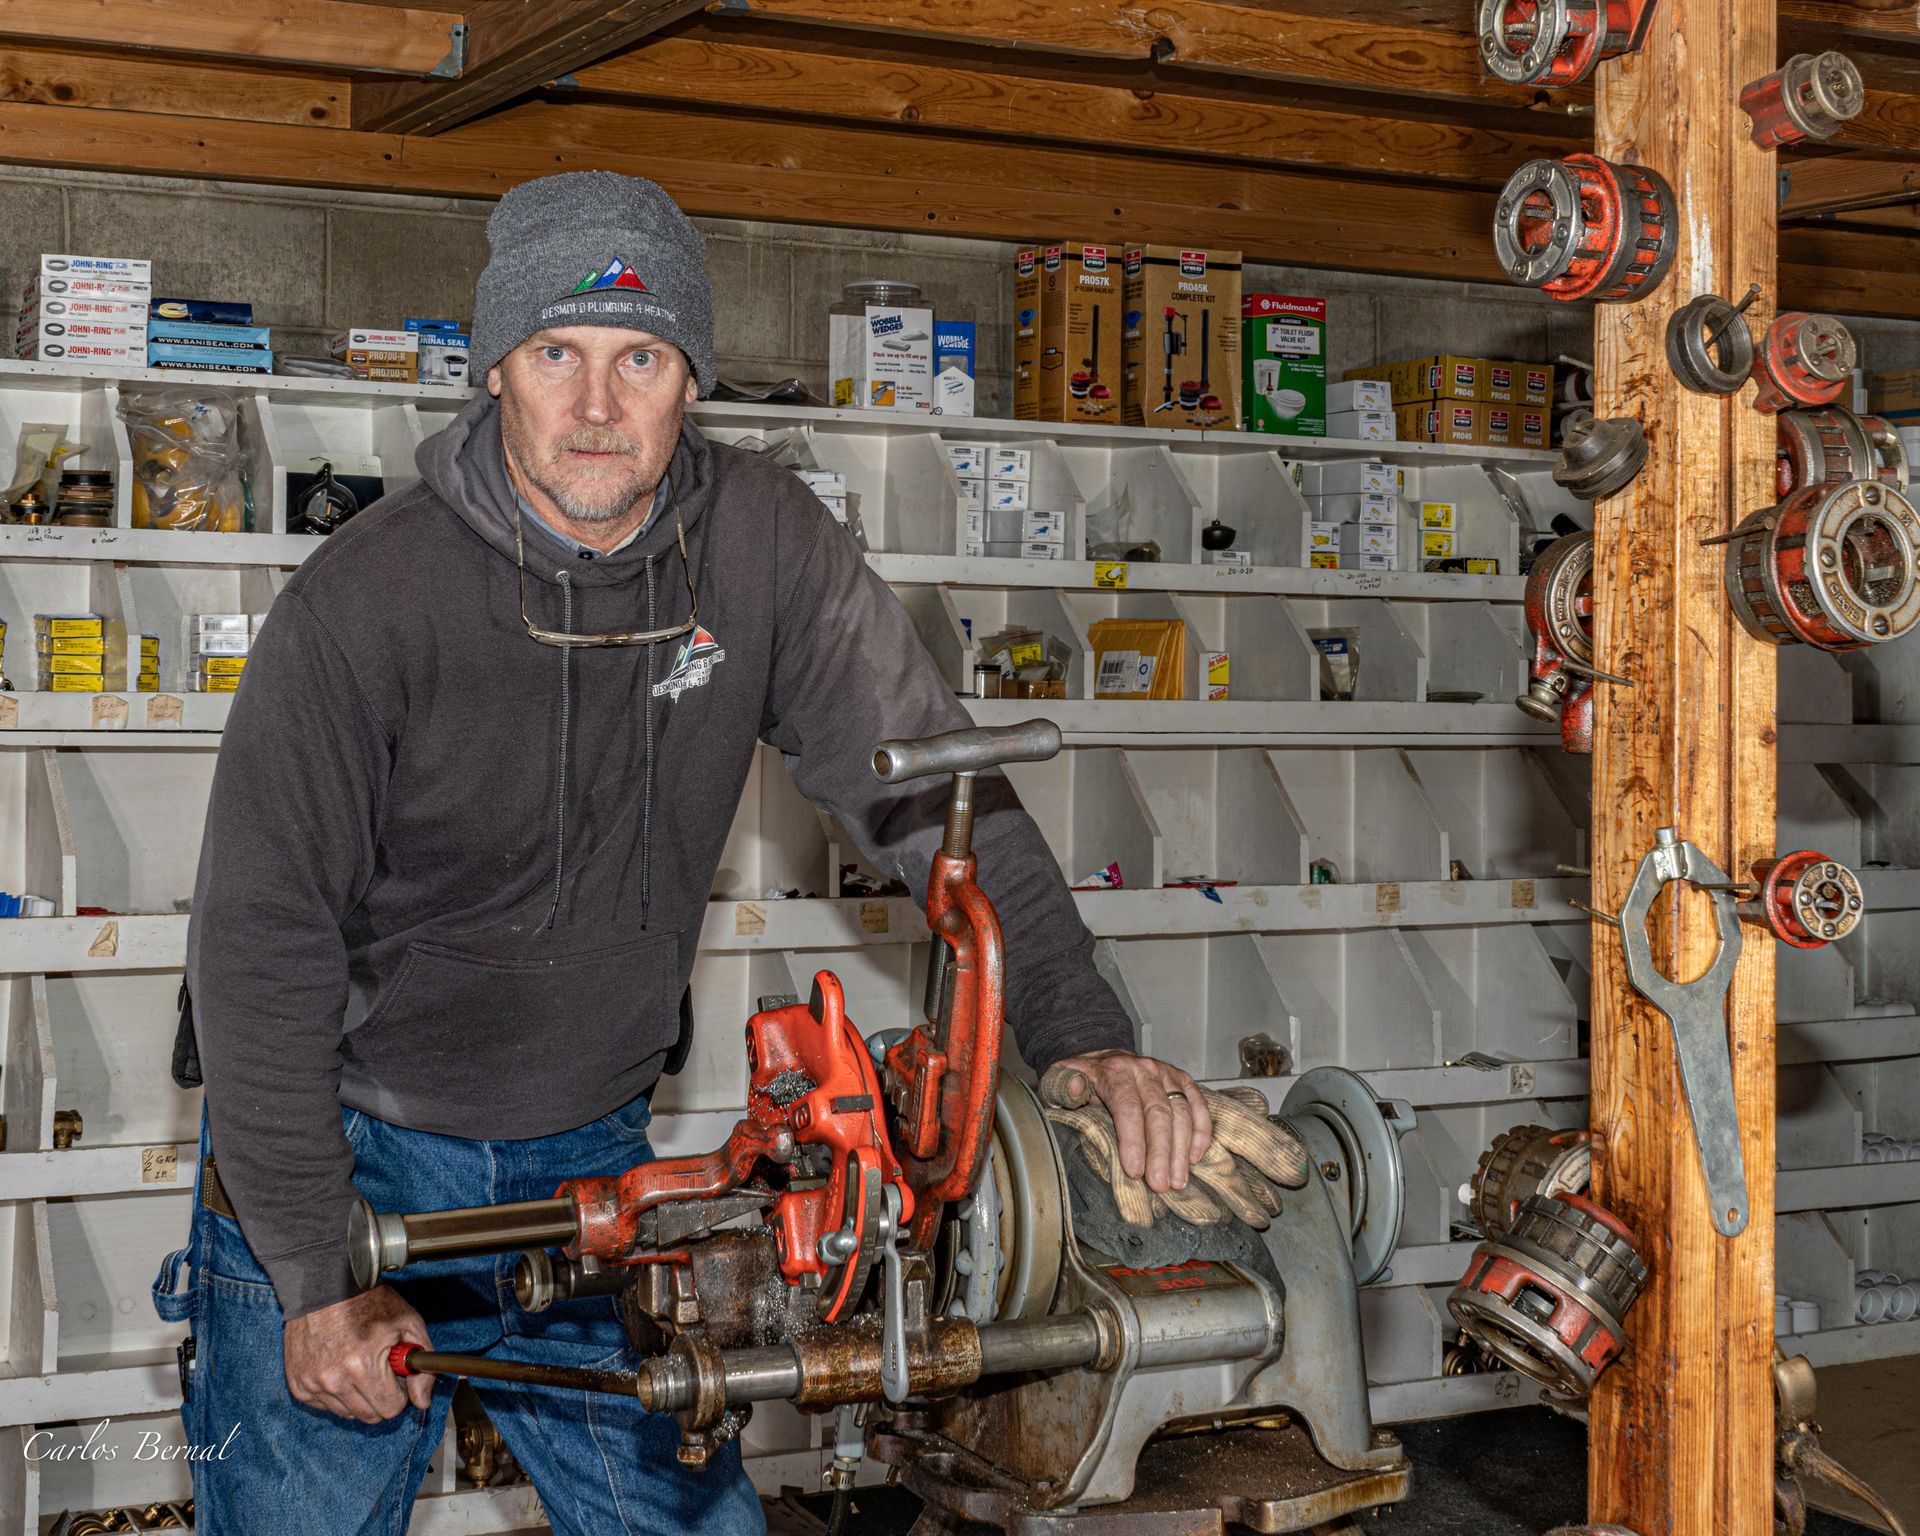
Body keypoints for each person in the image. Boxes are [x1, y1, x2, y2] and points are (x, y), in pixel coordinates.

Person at [152, 171, 1212, 1533]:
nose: (596, 408)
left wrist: (1080, 1037)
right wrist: (310, 1271)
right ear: (495, 372)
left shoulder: (763, 548)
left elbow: (933, 793)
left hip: (596, 1164)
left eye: (639, 358)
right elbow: (259, 946)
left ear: (690, 377)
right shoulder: (363, 603)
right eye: (558, 356)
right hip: (345, 1151)